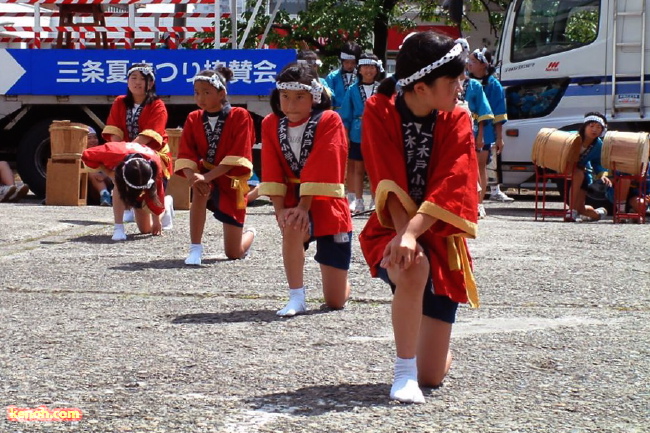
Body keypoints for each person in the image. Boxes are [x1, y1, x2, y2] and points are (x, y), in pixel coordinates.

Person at [359, 32, 479, 404]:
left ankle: (428, 358)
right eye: (453, 81)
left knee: (434, 375)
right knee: (412, 268)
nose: (461, 87)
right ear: (422, 88)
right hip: (391, 225)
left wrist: (414, 232)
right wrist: (403, 237)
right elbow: (385, 177)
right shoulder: (379, 109)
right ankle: (403, 372)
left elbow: (452, 181)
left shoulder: (457, 116)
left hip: (439, 231)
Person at [259, 62, 353, 317]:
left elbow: (324, 160)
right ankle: (296, 296)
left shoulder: (329, 119)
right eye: (285, 96)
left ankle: (342, 283)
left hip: (326, 200)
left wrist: (304, 205)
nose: (290, 104)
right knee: (291, 222)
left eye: (299, 97)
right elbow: (271, 165)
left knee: (334, 301)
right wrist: (280, 209)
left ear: (314, 96)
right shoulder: (270, 123)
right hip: (291, 199)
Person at [174, 68, 256, 264]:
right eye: (196, 92)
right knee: (200, 190)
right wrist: (194, 176)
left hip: (230, 180)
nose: (200, 97)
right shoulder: (194, 118)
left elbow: (237, 155)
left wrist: (206, 177)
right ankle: (195, 248)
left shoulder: (240, 116)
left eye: (206, 92)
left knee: (233, 253)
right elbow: (186, 153)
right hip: (205, 174)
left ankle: (251, 233)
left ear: (222, 93)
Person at [102, 63, 174, 223]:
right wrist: (120, 153)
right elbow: (114, 131)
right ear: (127, 81)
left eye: (143, 78)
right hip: (126, 153)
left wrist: (128, 153)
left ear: (151, 83)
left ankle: (166, 205)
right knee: (119, 178)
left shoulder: (157, 105)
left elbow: (148, 136)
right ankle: (126, 208)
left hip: (152, 155)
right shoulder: (120, 102)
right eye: (133, 78)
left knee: (150, 200)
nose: (137, 82)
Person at [82, 141, 173, 240]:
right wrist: (110, 173)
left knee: (147, 229)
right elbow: (87, 155)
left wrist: (157, 221)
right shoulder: (112, 152)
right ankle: (118, 227)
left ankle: (167, 204)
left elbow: (157, 194)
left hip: (150, 173)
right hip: (126, 169)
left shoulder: (155, 165)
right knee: (117, 186)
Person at [467, 47, 512, 218]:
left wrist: (499, 137)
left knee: (479, 166)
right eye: (469, 61)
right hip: (464, 127)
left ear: (483, 65)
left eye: (473, 61)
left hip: (484, 130)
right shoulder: (465, 81)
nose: (469, 64)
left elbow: (498, 113)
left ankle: (478, 203)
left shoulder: (494, 85)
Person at [340, 52, 384, 213]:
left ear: (377, 69)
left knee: (374, 168)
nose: (368, 70)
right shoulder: (352, 89)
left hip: (377, 133)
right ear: (359, 69)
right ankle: (357, 200)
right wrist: (346, 135)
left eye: (372, 67)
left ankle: (375, 199)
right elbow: (345, 115)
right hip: (357, 131)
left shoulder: (382, 88)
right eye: (365, 67)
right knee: (357, 168)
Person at [567, 112, 610, 222]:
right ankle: (571, 211)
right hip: (564, 171)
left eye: (598, 127)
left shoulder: (598, 145)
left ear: (602, 130)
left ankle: (597, 214)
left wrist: (602, 174)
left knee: (581, 209)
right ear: (584, 126)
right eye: (591, 126)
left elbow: (598, 162)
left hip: (582, 176)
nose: (594, 130)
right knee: (578, 173)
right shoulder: (570, 136)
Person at [325, 41, 362, 112]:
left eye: (353, 62)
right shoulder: (332, 77)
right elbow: (328, 99)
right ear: (342, 61)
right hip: (337, 114)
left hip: (355, 115)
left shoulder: (360, 77)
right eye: (347, 62)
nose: (349, 65)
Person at [85, 126, 113, 206]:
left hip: (106, 181)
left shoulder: (103, 152)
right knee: (90, 172)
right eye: (89, 138)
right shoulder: (81, 154)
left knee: (96, 175)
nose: (93, 140)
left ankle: (105, 195)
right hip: (88, 187)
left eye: (95, 137)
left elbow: (113, 169)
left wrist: (104, 175)